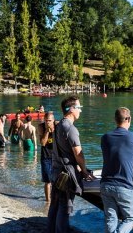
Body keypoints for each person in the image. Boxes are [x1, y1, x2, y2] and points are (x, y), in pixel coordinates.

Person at [100, 107, 133, 233]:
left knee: (111, 218)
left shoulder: (105, 138)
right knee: (130, 217)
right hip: (124, 185)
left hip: (105, 184)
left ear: (115, 120)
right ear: (129, 119)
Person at [47, 95, 95, 233]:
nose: (80, 110)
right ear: (71, 109)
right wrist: (84, 170)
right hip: (66, 175)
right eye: (79, 107)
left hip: (56, 172)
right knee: (65, 206)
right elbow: (78, 153)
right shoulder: (70, 129)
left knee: (54, 205)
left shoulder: (58, 125)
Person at [39, 111, 56, 202]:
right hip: (45, 157)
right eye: (46, 120)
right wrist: (46, 131)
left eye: (49, 120)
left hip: (56, 157)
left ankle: (54, 199)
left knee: (56, 180)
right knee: (47, 180)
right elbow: (42, 143)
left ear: (53, 120)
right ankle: (48, 201)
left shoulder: (57, 126)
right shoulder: (41, 127)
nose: (47, 122)